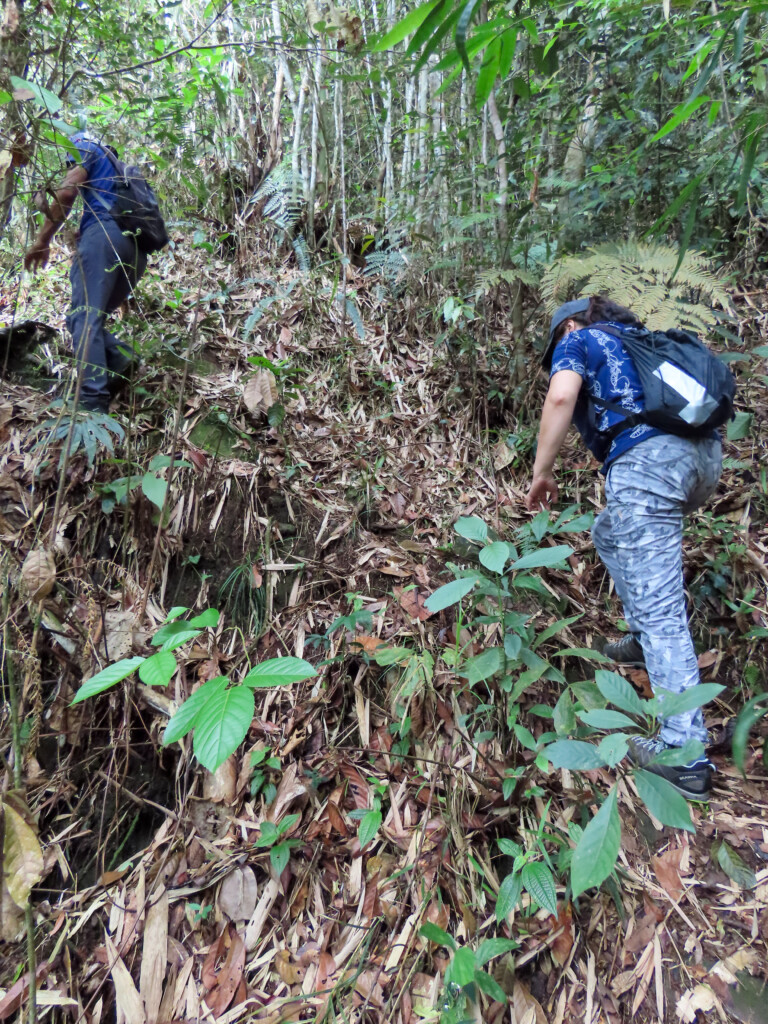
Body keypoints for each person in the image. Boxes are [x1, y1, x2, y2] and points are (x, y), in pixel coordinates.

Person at [525, 295, 722, 800]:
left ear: (568, 325)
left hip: (647, 462)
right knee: (609, 532)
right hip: (701, 462)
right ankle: (642, 639)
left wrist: (542, 471)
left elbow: (562, 398)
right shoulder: (638, 344)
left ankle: (685, 754)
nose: (557, 358)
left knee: (662, 607)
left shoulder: (580, 338)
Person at [24, 132, 146, 413]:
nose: (69, 160)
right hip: (137, 252)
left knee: (82, 318)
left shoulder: (84, 145)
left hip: (106, 238)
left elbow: (67, 193)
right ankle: (119, 357)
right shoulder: (118, 170)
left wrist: (42, 240)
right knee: (89, 319)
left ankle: (92, 407)